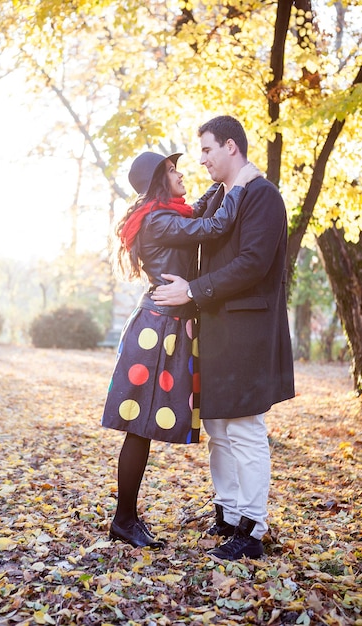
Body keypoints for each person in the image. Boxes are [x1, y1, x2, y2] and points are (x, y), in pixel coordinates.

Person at [102, 149, 261, 549]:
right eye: (172, 171)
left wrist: (218, 183)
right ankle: (124, 519)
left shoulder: (168, 215)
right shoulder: (159, 221)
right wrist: (239, 183)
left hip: (168, 326)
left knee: (142, 427)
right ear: (159, 182)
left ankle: (126, 518)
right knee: (138, 428)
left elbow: (198, 211)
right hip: (156, 329)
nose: (181, 173)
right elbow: (215, 225)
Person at [152, 115, 295, 561]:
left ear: (232, 147)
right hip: (213, 327)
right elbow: (194, 236)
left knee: (246, 428)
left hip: (248, 330)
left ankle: (253, 529)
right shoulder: (217, 196)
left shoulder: (263, 196)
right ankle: (229, 514)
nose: (202, 160)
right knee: (217, 427)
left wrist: (193, 291)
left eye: (209, 150)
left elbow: (252, 262)